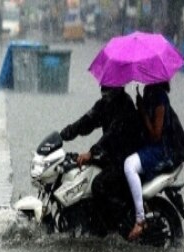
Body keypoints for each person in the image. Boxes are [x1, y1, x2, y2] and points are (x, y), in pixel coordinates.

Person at [59, 85, 142, 233]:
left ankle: (117, 226)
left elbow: (111, 134)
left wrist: (91, 153)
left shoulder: (125, 105)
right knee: (80, 170)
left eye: (108, 85)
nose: (104, 88)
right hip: (110, 155)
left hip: (125, 158)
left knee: (99, 185)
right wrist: (64, 134)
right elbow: (86, 122)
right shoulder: (104, 104)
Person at [123, 81, 175, 240]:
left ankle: (140, 220)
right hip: (148, 147)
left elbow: (156, 134)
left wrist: (143, 111)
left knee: (129, 166)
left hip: (159, 151)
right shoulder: (148, 91)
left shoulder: (160, 97)